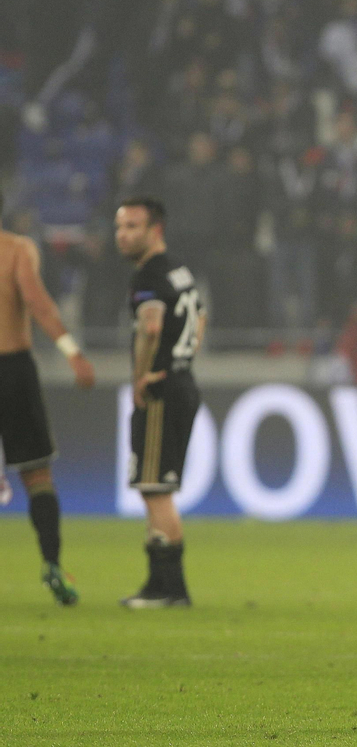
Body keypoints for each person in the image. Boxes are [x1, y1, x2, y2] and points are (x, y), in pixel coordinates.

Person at [0, 189, 96, 604]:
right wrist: (73, 353)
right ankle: (53, 565)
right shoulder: (17, 250)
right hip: (13, 368)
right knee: (37, 474)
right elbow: (37, 303)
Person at [114, 197, 207, 607]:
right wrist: (182, 360)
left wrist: (143, 376)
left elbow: (150, 327)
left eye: (133, 226)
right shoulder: (178, 270)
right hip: (182, 380)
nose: (123, 235)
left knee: (155, 489)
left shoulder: (149, 274)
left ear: (155, 230)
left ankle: (165, 588)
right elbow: (199, 317)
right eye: (120, 226)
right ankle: (169, 587)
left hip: (160, 388)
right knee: (158, 487)